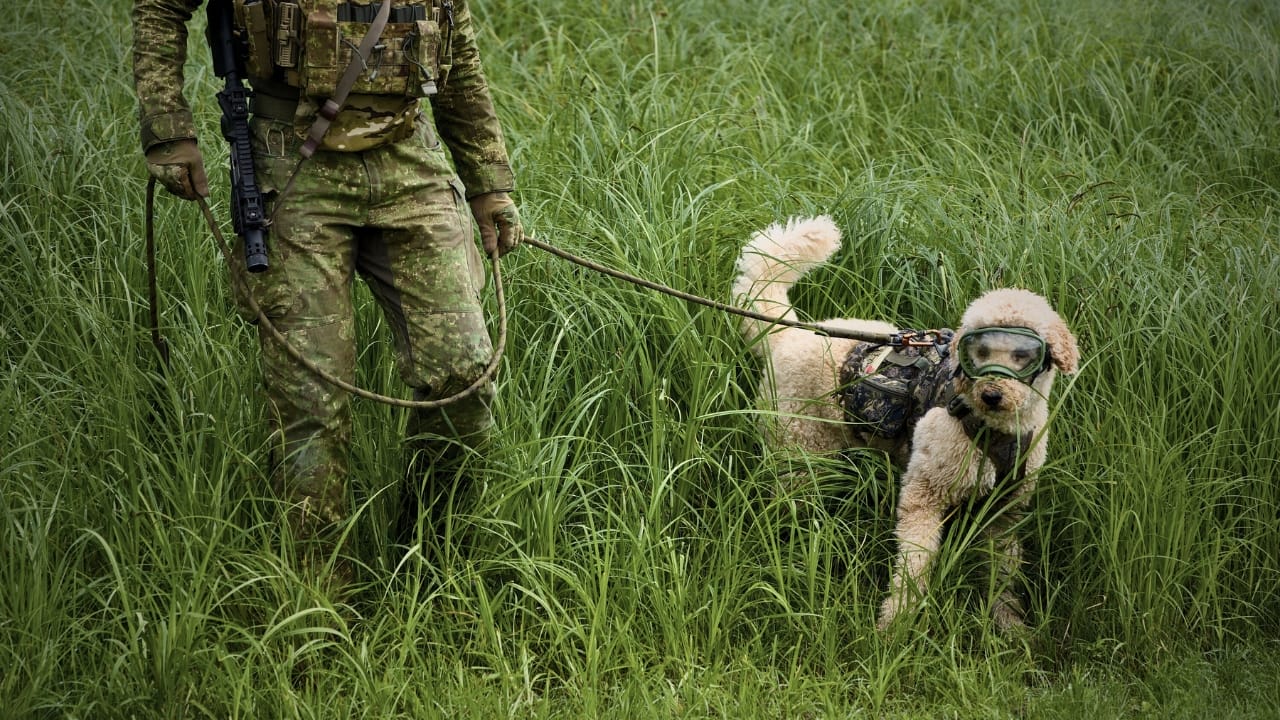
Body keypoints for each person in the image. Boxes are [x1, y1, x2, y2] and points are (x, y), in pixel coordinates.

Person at [132, 0, 523, 589]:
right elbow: (160, 7)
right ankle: (319, 599)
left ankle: (431, 563)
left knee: (464, 376)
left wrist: (488, 182)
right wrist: (167, 129)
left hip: (409, 159)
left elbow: (456, 47)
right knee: (309, 401)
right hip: (292, 158)